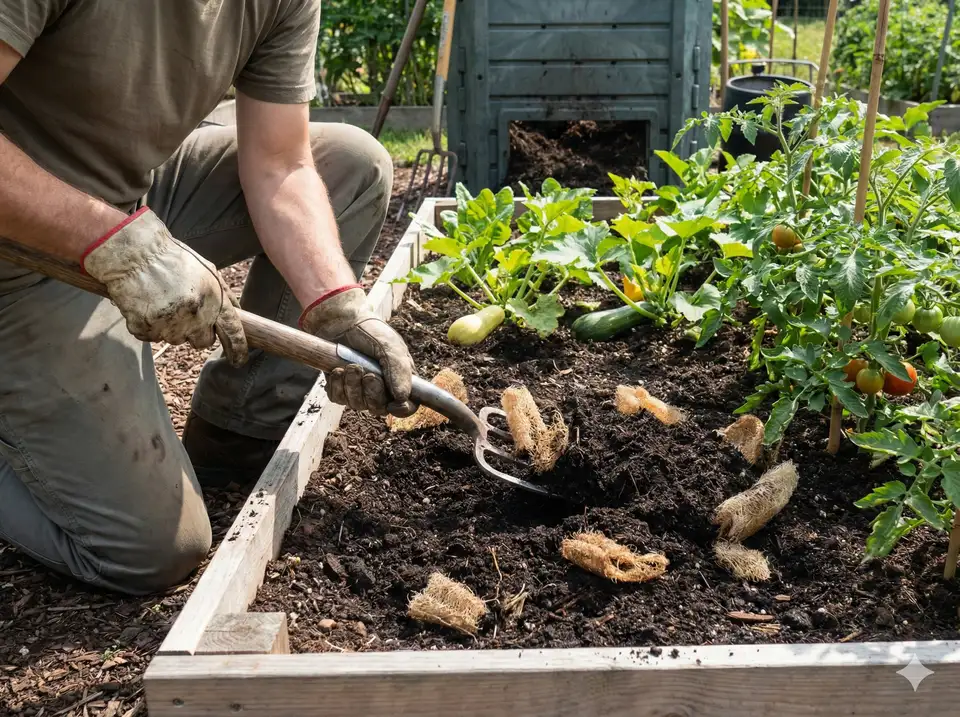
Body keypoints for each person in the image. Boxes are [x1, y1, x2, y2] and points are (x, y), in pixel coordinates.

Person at [0, 1, 416, 595]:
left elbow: (281, 163)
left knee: (351, 166)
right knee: (150, 552)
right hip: (17, 255)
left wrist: (338, 306)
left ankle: (235, 434)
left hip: (123, 196)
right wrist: (116, 245)